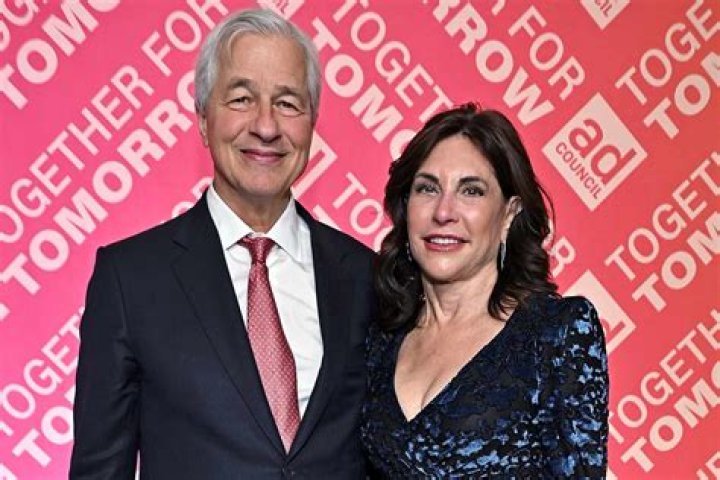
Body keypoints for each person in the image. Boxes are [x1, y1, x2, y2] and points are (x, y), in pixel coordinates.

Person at [70, 9, 376, 479]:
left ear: (313, 123)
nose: (266, 126)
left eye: (288, 103)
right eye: (241, 99)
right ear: (202, 119)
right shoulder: (130, 279)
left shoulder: (364, 276)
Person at [361, 104, 609, 478]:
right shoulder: (381, 336)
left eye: (471, 191)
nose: (443, 212)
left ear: (509, 214)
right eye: (427, 188)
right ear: (406, 206)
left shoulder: (556, 333)